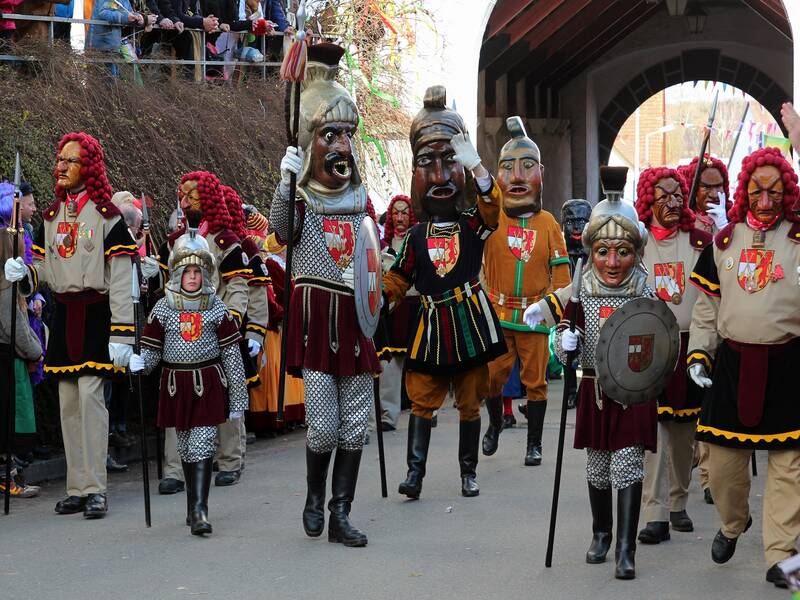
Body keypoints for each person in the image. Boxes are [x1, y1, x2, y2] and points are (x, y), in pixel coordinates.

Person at [524, 167, 658, 580]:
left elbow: (656, 337)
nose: (613, 262)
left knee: (628, 465)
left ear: (636, 251)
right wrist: (562, 341)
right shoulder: (581, 287)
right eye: (603, 251)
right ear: (591, 251)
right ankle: (601, 533)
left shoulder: (644, 289)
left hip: (633, 391)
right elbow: (566, 327)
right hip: (594, 388)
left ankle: (625, 547)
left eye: (622, 251)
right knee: (598, 467)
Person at [271, 42, 379, 547]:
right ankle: (314, 498)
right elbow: (281, 231)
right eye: (329, 134)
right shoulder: (302, 191)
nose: (340, 146)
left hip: (355, 317)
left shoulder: (362, 200)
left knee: (355, 423)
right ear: (309, 138)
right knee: (322, 425)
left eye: (347, 136)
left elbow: (374, 259)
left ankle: (341, 513)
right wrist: (285, 179)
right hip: (316, 316)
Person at [382, 85, 506, 500]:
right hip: (432, 324)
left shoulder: (474, 225)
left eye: (449, 160)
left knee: (470, 401)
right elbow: (399, 276)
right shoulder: (415, 235)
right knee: (422, 399)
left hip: (469, 321)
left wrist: (480, 170)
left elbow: (493, 211)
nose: (439, 174)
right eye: (427, 162)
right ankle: (414, 476)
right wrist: (379, 295)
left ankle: (468, 473)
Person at [4, 132, 137, 518]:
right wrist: (24, 272)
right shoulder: (50, 217)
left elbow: (120, 277)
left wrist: (122, 333)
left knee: (93, 404)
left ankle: (96, 488)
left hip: (97, 314)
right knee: (68, 406)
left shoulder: (109, 217)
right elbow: (46, 268)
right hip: (65, 314)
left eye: (71, 160)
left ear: (89, 167)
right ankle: (77, 486)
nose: (61, 166)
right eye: (60, 159)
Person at [687, 147, 800, 589]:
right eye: (757, 191)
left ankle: (781, 556)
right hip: (733, 364)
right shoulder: (723, 241)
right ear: (745, 191)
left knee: (789, 465)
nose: (766, 200)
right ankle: (734, 524)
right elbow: (706, 308)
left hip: (789, 364)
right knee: (723, 467)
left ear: (787, 192)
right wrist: (700, 354)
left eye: (774, 191)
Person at [129, 232, 247, 535]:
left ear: (205, 274)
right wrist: (140, 364)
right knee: (184, 446)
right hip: (175, 385)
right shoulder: (163, 308)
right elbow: (153, 353)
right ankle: (192, 505)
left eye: (198, 271)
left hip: (208, 382)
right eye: (187, 271)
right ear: (178, 273)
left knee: (204, 442)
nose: (192, 277)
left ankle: (199, 510)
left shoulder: (218, 309)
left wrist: (237, 401)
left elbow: (232, 357)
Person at [479, 117, 570, 466]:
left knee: (536, 383)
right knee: (491, 378)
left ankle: (535, 444)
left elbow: (562, 274)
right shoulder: (491, 219)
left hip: (533, 319)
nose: (517, 176)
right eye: (507, 167)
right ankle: (494, 423)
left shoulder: (548, 224)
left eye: (527, 166)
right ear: (498, 176)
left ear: (541, 174)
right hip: (498, 317)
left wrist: (552, 310)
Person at [633, 167, 711, 545]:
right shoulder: (637, 241)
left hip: (690, 343)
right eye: (663, 195)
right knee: (657, 433)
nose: (673, 202)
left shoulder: (700, 241)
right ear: (649, 199)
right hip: (651, 346)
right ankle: (655, 512)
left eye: (678, 195)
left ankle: (679, 501)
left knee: (684, 434)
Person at [0, 181, 43, 499]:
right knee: (12, 419)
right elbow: (10, 318)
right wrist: (34, 349)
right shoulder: (5, 282)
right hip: (8, 354)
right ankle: (8, 475)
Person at [375, 194, 418, 431]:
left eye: (404, 212)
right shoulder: (382, 246)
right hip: (391, 309)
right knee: (390, 364)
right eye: (396, 212)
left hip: (415, 305)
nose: (400, 217)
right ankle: (388, 416)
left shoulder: (418, 240)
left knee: (419, 362)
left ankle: (424, 408)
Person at [556, 198, 591, 411]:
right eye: (570, 222)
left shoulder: (598, 253)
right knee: (565, 348)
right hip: (563, 308)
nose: (577, 227)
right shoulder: (558, 252)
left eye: (582, 221)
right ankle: (570, 391)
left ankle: (582, 391)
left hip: (590, 309)